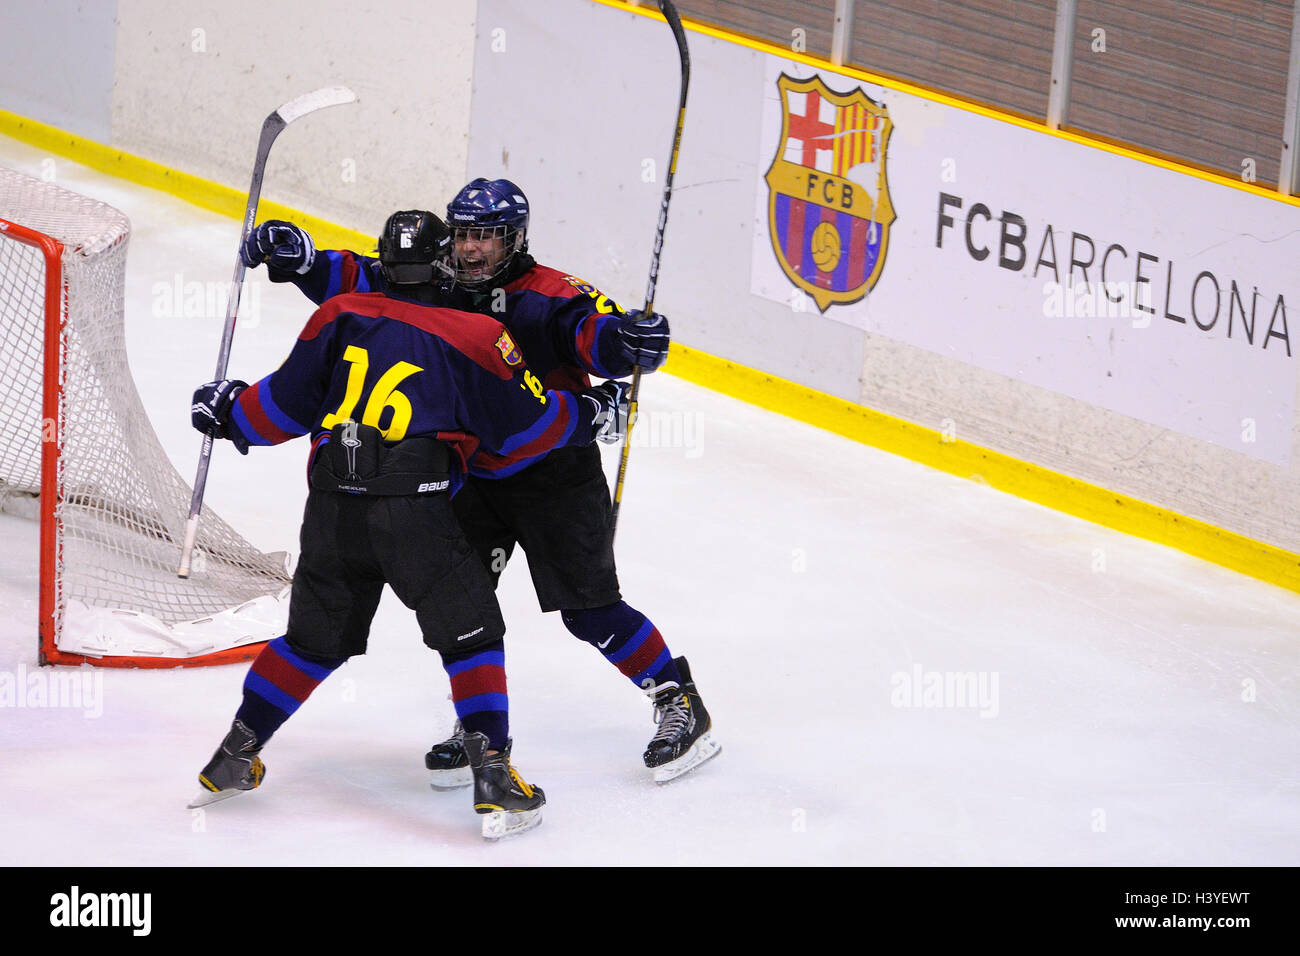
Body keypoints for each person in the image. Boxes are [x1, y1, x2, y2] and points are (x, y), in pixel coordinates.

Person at [241, 181, 719, 784]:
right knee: (466, 613)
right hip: (467, 476)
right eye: (463, 234)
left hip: (554, 476)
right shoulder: (440, 277)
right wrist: (304, 262)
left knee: (590, 611)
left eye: (485, 237)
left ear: (515, 239)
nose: (470, 250)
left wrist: (625, 343)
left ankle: (677, 697)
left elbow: (590, 333)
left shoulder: (549, 295)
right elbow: (371, 281)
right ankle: (482, 733)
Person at [188, 210, 630, 838]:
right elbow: (524, 427)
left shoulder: (338, 313)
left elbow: (282, 406)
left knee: (312, 643)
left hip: (331, 514)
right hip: (414, 514)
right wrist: (589, 411)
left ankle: (234, 754)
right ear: (444, 262)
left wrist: (229, 412)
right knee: (472, 635)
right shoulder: (477, 333)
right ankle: (495, 777)